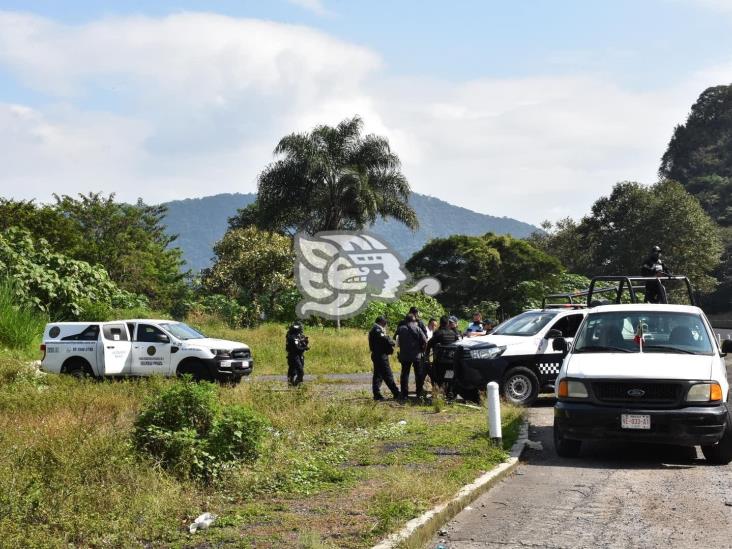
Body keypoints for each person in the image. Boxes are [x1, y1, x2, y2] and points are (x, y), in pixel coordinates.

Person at [368, 315, 400, 401]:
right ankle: (396, 393)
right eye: (385, 322)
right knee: (387, 374)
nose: (386, 324)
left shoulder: (377, 329)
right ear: (381, 322)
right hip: (380, 356)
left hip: (379, 355)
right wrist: (394, 343)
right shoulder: (377, 330)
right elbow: (385, 339)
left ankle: (377, 394)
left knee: (378, 375)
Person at [396, 313, 428, 400]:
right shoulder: (417, 328)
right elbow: (425, 341)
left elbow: (396, 341)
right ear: (413, 321)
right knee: (418, 374)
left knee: (405, 374)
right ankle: (419, 392)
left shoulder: (401, 329)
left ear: (406, 320)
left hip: (404, 355)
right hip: (416, 355)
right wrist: (422, 351)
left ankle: (404, 394)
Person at [426, 315, 461, 388]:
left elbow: (429, 344)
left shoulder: (438, 333)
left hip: (440, 361)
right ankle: (448, 392)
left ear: (440, 323)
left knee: (439, 377)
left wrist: (427, 357)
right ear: (448, 323)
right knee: (449, 377)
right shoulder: (453, 333)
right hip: (451, 361)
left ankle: (440, 391)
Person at [285, 321, 310, 386]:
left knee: (297, 371)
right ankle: (293, 385)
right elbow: (297, 348)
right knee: (298, 371)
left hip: (299, 355)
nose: (301, 331)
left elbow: (302, 344)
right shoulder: (292, 337)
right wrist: (305, 348)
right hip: (294, 356)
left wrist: (305, 342)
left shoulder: (299, 336)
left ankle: (298, 385)